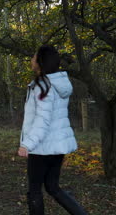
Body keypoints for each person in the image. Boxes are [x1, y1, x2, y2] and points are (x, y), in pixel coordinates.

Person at [18, 45, 88, 215]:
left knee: (35, 190)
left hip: (42, 147)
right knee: (52, 187)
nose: (31, 60)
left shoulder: (43, 86)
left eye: (34, 57)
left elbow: (42, 120)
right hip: (57, 146)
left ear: (40, 62)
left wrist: (27, 144)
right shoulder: (58, 84)